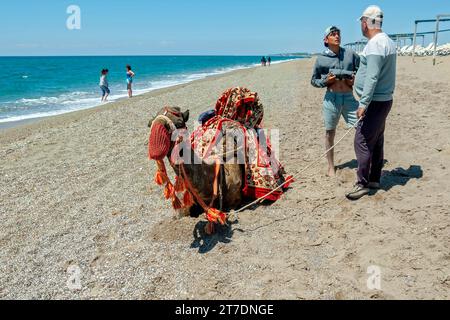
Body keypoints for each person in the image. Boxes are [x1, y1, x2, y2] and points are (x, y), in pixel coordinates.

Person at [346, 5, 397, 200]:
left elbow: (373, 76)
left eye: (361, 22)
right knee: (377, 139)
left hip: (375, 100)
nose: (361, 25)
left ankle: (363, 183)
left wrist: (363, 103)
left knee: (362, 141)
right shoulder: (388, 42)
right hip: (384, 100)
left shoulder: (376, 44)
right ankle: (374, 178)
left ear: (366, 23)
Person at [311, 25, 360, 177]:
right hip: (331, 98)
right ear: (326, 40)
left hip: (349, 97)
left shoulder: (351, 54)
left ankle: (363, 162)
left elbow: (361, 71)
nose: (337, 36)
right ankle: (331, 166)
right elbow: (313, 80)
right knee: (329, 133)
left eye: (338, 33)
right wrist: (326, 81)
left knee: (361, 128)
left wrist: (354, 81)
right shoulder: (321, 59)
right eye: (333, 34)